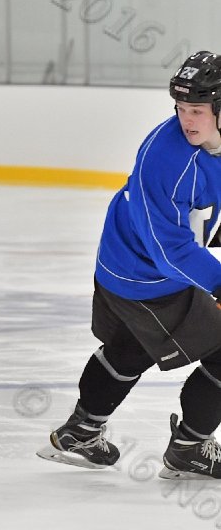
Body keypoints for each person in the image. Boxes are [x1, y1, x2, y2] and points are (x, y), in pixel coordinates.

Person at [38, 50, 221, 480]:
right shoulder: (166, 156)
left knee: (133, 346)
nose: (185, 119)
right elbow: (169, 249)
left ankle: (81, 431)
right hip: (145, 271)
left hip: (128, 262)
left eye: (196, 109)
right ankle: (190, 448)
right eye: (179, 108)